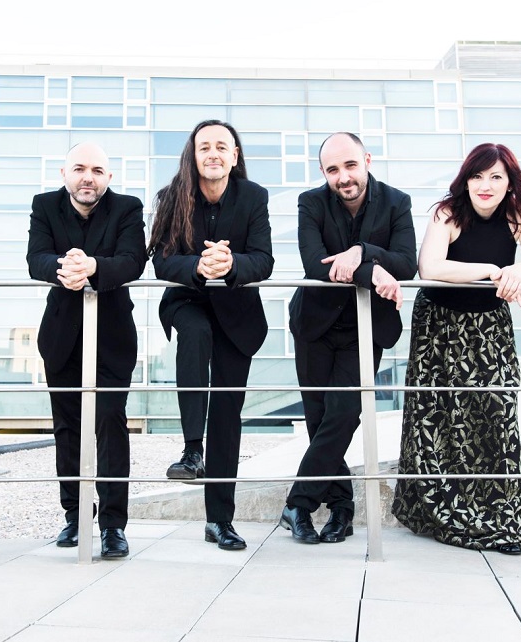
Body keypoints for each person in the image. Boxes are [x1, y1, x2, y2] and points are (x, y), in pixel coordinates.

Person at [392, 143, 521, 555]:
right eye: (478, 176)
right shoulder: (446, 213)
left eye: (496, 177)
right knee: (438, 417)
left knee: (496, 415)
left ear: (509, 183)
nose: (486, 185)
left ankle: (500, 517)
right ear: (465, 180)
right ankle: (443, 512)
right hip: (439, 326)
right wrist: (492, 271)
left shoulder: (519, 217)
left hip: (489, 327)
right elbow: (430, 267)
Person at [281, 132, 416, 544]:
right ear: (323, 172)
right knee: (319, 420)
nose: (343, 177)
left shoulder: (397, 202)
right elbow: (315, 264)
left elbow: (407, 263)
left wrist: (361, 251)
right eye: (333, 169)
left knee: (343, 414)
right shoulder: (310, 202)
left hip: (365, 328)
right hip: (314, 327)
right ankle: (341, 508)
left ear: (367, 160)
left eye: (351, 165)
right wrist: (372, 270)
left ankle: (298, 503)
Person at [149, 119, 274, 550]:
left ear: (234, 155)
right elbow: (161, 261)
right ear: (193, 155)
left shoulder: (254, 197)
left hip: (237, 313)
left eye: (222, 146)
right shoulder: (172, 196)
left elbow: (264, 260)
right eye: (205, 147)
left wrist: (231, 264)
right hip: (189, 300)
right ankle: (191, 449)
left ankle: (219, 521)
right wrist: (199, 266)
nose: (213, 153)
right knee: (195, 332)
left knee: (227, 416)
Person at [27, 142, 146, 559]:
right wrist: (67, 268)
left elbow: (133, 260)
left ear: (108, 178)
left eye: (97, 171)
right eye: (79, 169)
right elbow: (35, 259)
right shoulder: (44, 206)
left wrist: (92, 267)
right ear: (64, 173)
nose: (87, 177)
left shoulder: (127, 208)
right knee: (67, 427)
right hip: (61, 335)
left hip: (113, 335)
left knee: (111, 424)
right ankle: (75, 516)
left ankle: (113, 526)